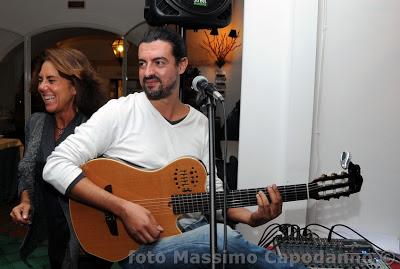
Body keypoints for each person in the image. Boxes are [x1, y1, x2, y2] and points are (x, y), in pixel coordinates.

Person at [42, 28, 306, 268]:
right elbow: (55, 165)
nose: (147, 72)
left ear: (182, 66)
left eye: (159, 63)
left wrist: (251, 218)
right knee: (222, 238)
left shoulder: (201, 123)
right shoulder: (119, 112)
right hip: (139, 247)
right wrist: (122, 208)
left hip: (193, 233)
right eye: (143, 63)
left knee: (224, 240)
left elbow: (209, 190)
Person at [9, 48, 111, 269]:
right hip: (54, 235)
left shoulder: (94, 128)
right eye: (41, 80)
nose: (42, 87)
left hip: (88, 236)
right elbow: (28, 169)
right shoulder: (35, 123)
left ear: (74, 87)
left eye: (51, 80)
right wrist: (26, 200)